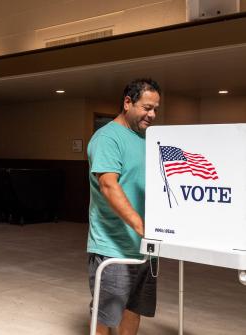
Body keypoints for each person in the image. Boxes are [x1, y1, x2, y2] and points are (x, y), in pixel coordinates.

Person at [87, 78, 161, 335]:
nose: (152, 115)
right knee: (107, 314)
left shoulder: (145, 139)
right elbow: (108, 185)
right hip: (113, 247)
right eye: (147, 107)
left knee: (134, 308)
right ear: (127, 102)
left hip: (145, 246)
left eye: (155, 109)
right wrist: (141, 225)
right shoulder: (107, 137)